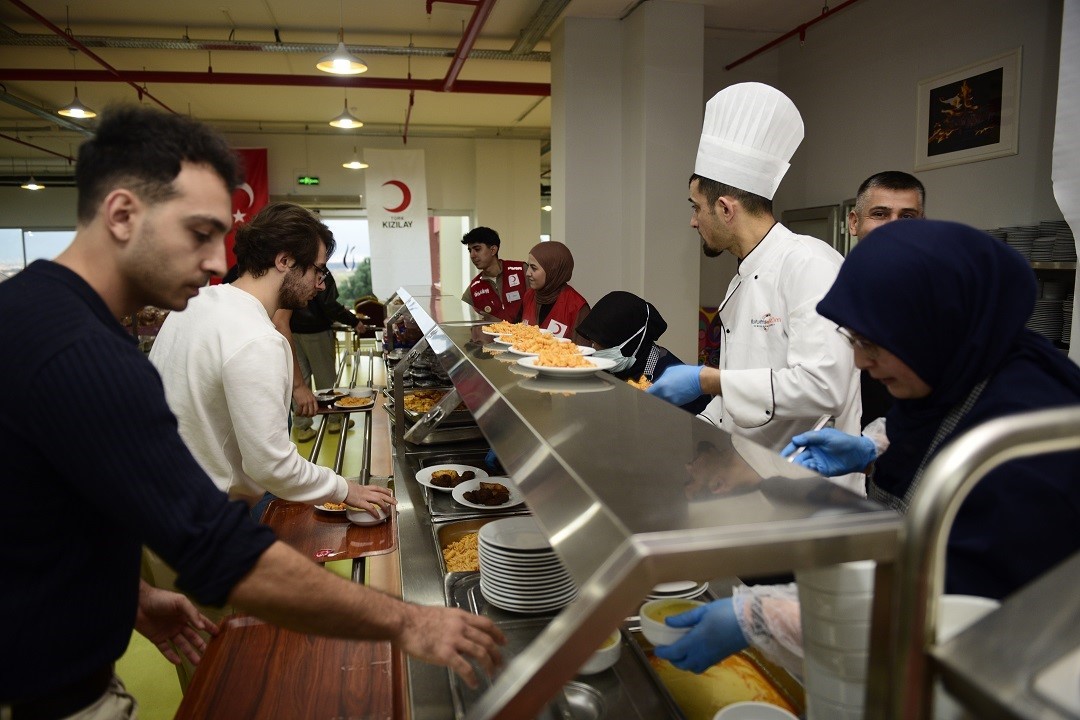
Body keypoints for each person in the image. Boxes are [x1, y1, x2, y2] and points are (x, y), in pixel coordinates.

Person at [0, 104, 503, 719]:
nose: (216, 263)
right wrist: (408, 622)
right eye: (198, 233)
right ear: (123, 214)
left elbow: (41, 504)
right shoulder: (86, 355)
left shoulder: (33, 315)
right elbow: (228, 549)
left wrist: (124, 595)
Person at [654, 220, 1080, 676]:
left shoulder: (1028, 436)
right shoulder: (959, 359)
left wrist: (763, 616)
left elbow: (956, 607)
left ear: (935, 325)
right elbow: (920, 424)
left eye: (872, 344)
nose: (858, 361)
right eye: (852, 340)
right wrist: (872, 445)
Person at [646, 82, 862, 494]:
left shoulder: (810, 264)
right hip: (750, 478)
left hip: (812, 492)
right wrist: (686, 430)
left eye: (696, 207)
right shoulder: (742, 277)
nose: (693, 221)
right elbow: (740, 399)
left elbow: (824, 386)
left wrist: (708, 379)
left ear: (725, 209)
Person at [847, 171, 927, 428]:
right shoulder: (830, 287)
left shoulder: (938, 296)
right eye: (880, 214)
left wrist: (874, 444)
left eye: (907, 216)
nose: (893, 226)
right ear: (853, 222)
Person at [575, 290, 709, 414]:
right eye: (593, 342)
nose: (595, 350)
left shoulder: (675, 385)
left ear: (632, 342)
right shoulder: (612, 370)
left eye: (603, 345)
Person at [286, 244, 368, 440]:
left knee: (300, 379)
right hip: (317, 331)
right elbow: (329, 305)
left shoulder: (294, 269)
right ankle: (334, 422)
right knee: (326, 379)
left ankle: (303, 426)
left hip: (292, 331)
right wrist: (354, 321)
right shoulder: (321, 273)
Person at [520, 240, 591, 343]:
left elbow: (582, 352)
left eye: (534, 268)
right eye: (528, 266)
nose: (527, 273)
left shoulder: (577, 306)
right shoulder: (529, 295)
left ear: (552, 271)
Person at [460, 226, 526, 321]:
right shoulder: (473, 289)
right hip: (496, 336)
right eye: (470, 250)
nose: (472, 255)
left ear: (493, 250)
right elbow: (465, 319)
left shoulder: (522, 270)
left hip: (528, 334)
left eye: (477, 249)